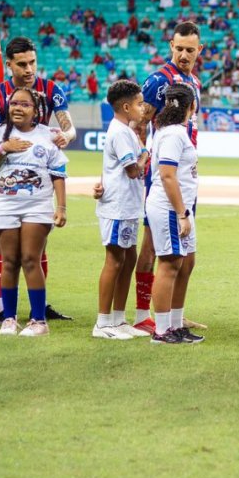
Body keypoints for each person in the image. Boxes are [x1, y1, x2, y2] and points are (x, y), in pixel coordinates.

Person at [0, 36, 76, 322]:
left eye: (32, 62)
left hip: (38, 179)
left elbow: (68, 127)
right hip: (3, 181)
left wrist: (66, 136)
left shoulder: (50, 90)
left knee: (37, 245)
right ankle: (1, 308)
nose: (29, 69)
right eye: (22, 64)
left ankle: (40, 306)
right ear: (9, 64)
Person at [131, 23, 205, 333]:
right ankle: (141, 314)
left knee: (183, 249)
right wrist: (141, 157)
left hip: (185, 174)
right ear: (170, 46)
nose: (185, 54)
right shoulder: (158, 81)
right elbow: (140, 121)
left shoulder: (194, 82)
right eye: (180, 48)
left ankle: (173, 316)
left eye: (191, 49)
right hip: (163, 174)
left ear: (199, 50)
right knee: (153, 246)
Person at [94, 80, 152, 340]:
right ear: (126, 107)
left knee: (128, 259)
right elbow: (132, 170)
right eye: (140, 104)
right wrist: (144, 156)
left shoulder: (126, 130)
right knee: (115, 260)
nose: (143, 108)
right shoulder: (119, 132)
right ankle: (103, 321)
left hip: (128, 206)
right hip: (117, 207)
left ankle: (118, 318)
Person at [144, 83, 201, 344]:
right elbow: (167, 176)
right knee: (169, 264)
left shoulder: (170, 132)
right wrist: (180, 213)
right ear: (192, 106)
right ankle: (162, 329)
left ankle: (175, 325)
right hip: (169, 207)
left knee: (184, 263)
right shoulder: (174, 134)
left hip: (179, 207)